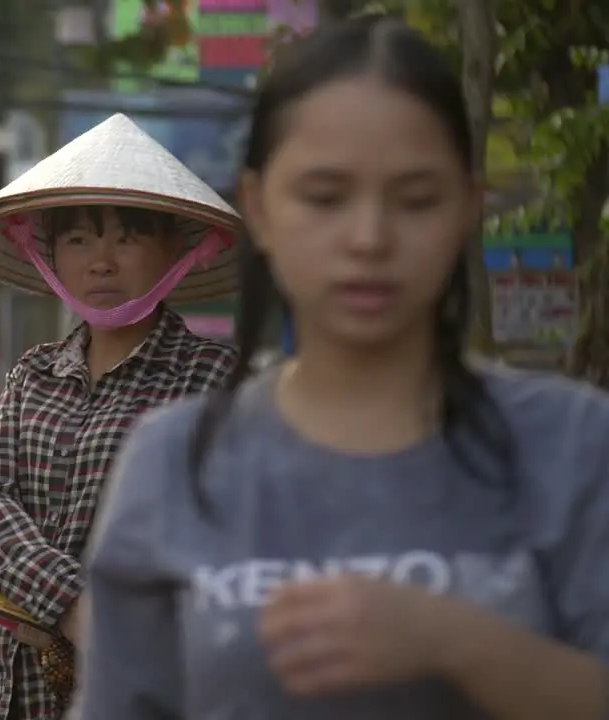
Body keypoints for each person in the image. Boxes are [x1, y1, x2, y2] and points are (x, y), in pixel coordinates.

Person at [80, 15, 609, 719]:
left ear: (467, 210)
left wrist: (456, 640)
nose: (369, 238)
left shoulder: (572, 443)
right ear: (260, 209)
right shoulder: (174, 461)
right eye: (325, 198)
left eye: (416, 200)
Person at [0, 113, 241, 720]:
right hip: (24, 691)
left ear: (175, 250)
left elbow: (209, 534)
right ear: (50, 256)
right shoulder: (33, 374)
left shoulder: (210, 378)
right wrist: (73, 603)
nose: (102, 262)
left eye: (127, 238)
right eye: (79, 240)